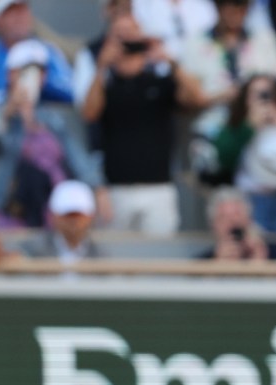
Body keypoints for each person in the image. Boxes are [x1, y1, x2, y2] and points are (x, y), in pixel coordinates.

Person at [80, 12, 204, 236]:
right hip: (117, 190)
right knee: (116, 263)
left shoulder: (160, 80)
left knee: (159, 259)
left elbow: (195, 99)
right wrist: (101, 67)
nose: (127, 40)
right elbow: (89, 113)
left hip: (158, 188)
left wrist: (169, 61)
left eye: (132, 33)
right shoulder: (107, 85)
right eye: (120, 34)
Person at [0, 41, 107, 229]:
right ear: (10, 74)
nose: (34, 78)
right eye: (24, 71)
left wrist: (98, 189)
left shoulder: (52, 118)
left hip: (51, 214)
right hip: (9, 211)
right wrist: (9, 111)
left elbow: (76, 157)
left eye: (40, 72)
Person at [212, 74, 276, 234]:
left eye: (268, 94)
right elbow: (225, 160)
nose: (263, 100)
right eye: (257, 94)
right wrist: (249, 128)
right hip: (248, 202)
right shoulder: (235, 128)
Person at [179, 0, 276, 137]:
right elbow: (184, 99)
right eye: (229, 4)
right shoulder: (195, 44)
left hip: (257, 131)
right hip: (212, 130)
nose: (236, 11)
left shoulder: (264, 40)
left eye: (242, 4)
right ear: (218, 6)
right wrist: (221, 97)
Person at [0, 0, 75, 106]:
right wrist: (9, 98)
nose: (19, 17)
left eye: (23, 10)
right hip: (0, 124)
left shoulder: (49, 52)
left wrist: (44, 84)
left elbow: (74, 92)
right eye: (11, 12)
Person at [23, 180, 106, 265]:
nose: (73, 221)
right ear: (54, 216)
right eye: (67, 215)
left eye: (78, 215)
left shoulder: (102, 255)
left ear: (90, 217)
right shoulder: (34, 250)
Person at [200, 187, 276, 260]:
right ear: (213, 225)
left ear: (249, 219)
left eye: (237, 214)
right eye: (224, 217)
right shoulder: (204, 261)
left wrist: (260, 259)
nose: (232, 221)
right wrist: (217, 267)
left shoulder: (272, 252)